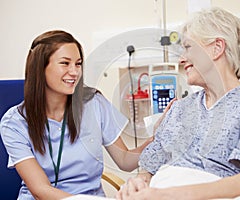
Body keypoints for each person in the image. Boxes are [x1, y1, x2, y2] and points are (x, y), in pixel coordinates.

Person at [116, 7, 240, 200]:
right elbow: (148, 170)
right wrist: (137, 185)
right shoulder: (179, 109)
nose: (181, 59)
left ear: (217, 48)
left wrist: (165, 195)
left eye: (188, 48)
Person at [0, 30, 153, 199]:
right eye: (65, 63)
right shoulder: (14, 122)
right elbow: (40, 190)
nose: (74, 72)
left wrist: (160, 136)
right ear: (40, 68)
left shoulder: (94, 103)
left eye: (78, 64)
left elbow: (125, 160)